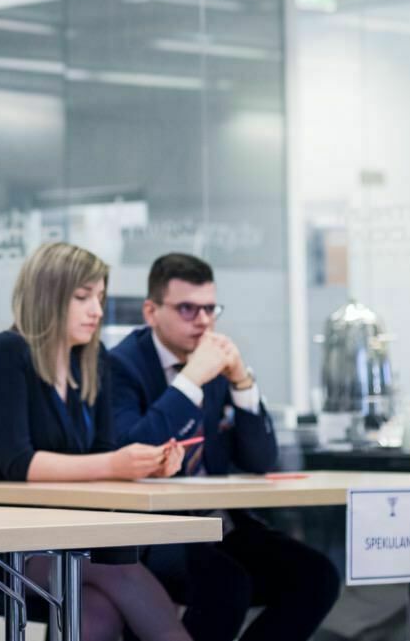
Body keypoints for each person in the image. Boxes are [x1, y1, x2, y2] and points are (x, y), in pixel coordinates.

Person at [0, 241, 193, 641]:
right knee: (118, 569)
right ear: (48, 297)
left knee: (96, 612)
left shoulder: (91, 361)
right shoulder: (7, 351)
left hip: (55, 538)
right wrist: (116, 464)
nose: (97, 311)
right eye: (83, 298)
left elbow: (100, 456)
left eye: (99, 297)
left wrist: (145, 466)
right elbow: (20, 464)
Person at [110, 253, 339, 641]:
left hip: (220, 524)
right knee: (226, 584)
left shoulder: (214, 363)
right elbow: (136, 448)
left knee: (317, 577)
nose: (202, 320)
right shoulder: (121, 366)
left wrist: (242, 384)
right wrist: (191, 380)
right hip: (155, 532)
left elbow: (262, 460)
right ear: (151, 312)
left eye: (209, 309)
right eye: (187, 309)